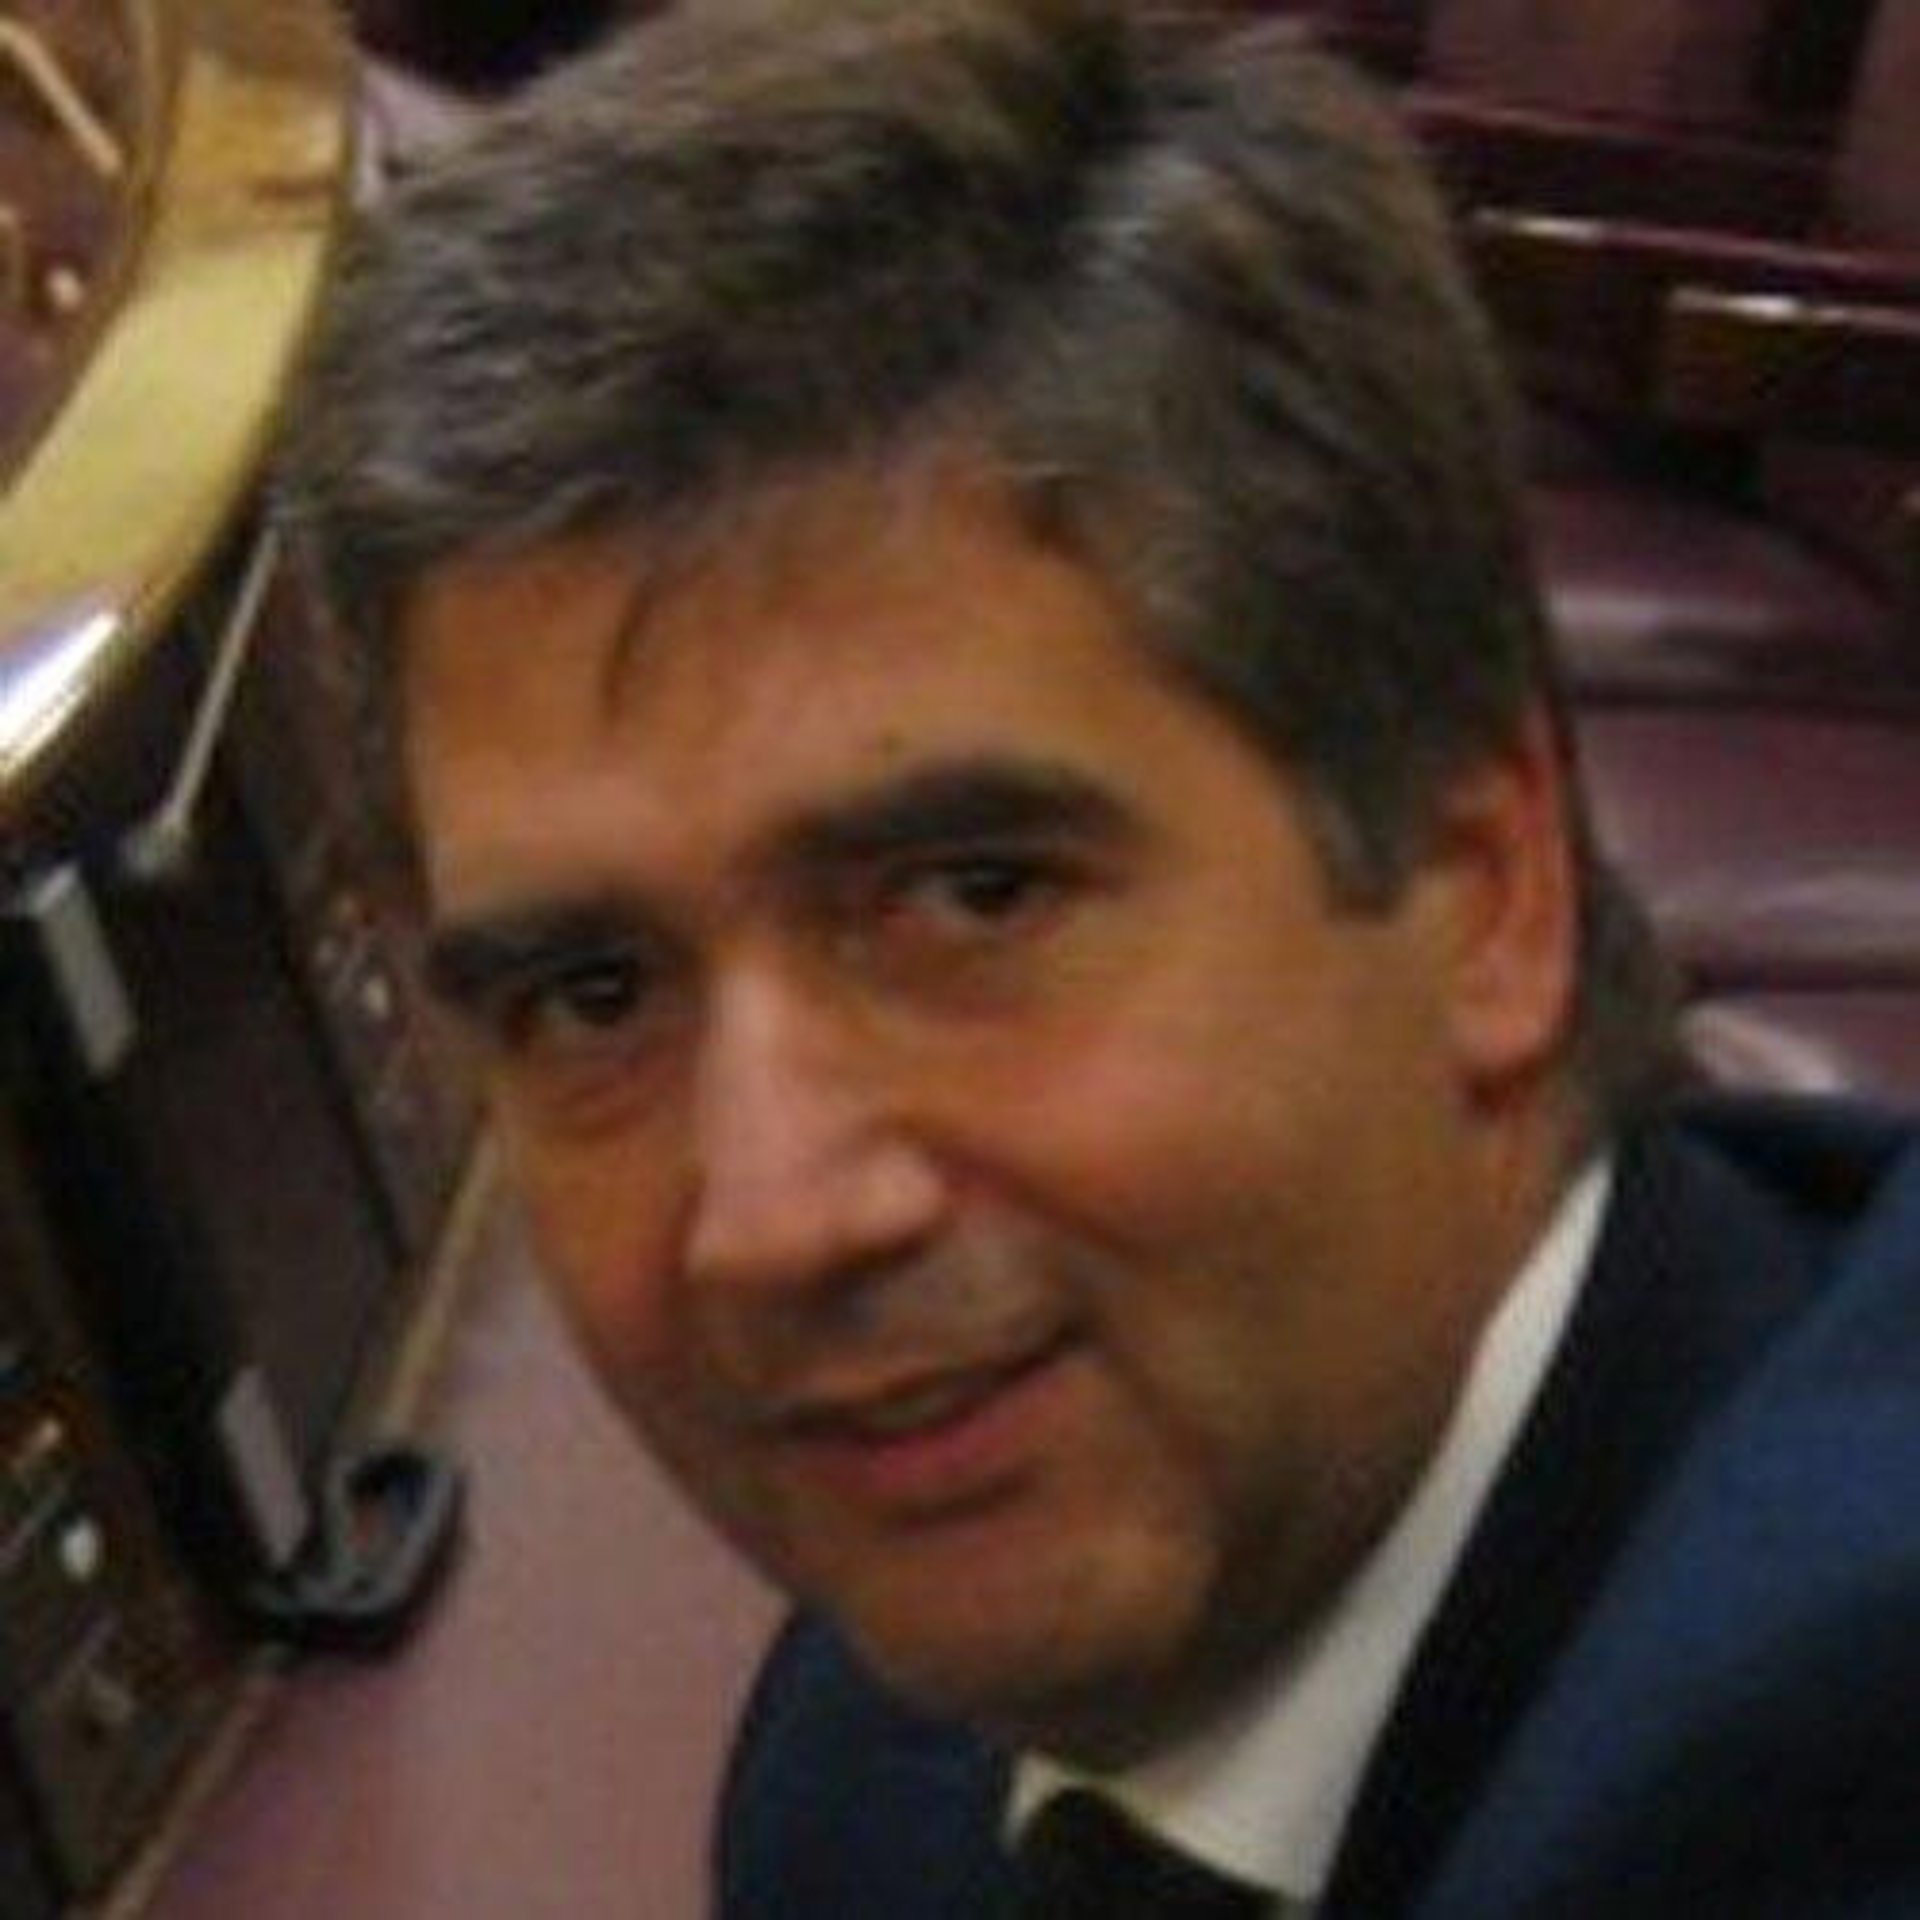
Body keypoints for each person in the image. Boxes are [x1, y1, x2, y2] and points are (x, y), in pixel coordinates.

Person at [276, 2, 1920, 1912]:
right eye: (594, 995)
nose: (776, 1220)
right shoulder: (882, 1762)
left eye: (973, 899)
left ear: (1488, 893)